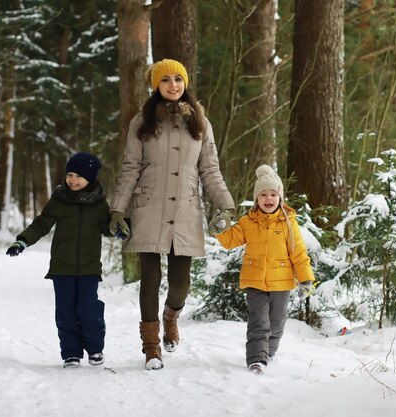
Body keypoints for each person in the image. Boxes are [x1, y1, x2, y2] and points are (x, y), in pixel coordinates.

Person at [108, 58, 235, 370]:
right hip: (148, 208)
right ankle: (151, 347)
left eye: (178, 79)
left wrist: (225, 204)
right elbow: (130, 168)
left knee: (181, 283)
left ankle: (171, 317)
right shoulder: (142, 122)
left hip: (185, 209)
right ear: (156, 85)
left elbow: (210, 169)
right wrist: (118, 210)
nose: (173, 85)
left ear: (185, 83)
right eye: (166, 80)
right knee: (150, 277)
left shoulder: (201, 124)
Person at [6, 152, 111, 369]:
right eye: (70, 174)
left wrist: (119, 228)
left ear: (90, 178)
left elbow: (107, 227)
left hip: (89, 268)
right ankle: (71, 353)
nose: (72, 179)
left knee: (88, 309)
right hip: (62, 268)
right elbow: (41, 224)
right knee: (66, 311)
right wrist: (23, 241)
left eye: (78, 176)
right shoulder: (60, 199)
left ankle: (95, 349)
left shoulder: (100, 204)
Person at [214, 164, 315, 375]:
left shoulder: (288, 224)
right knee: (258, 321)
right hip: (255, 279)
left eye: (273, 194)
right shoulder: (247, 222)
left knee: (277, 322)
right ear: (256, 199)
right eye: (263, 195)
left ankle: (269, 352)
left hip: (282, 280)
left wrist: (305, 279)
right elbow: (231, 240)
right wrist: (222, 228)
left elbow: (298, 253)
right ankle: (257, 358)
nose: (268, 199)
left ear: (280, 198)